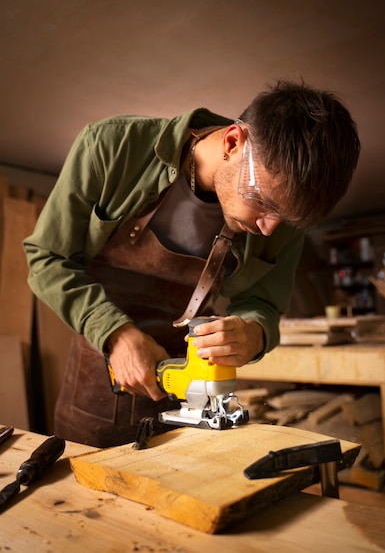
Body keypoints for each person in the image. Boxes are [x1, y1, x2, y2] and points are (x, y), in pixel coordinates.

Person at [23, 79, 360, 447]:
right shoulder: (112, 147)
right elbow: (47, 257)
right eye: (263, 203)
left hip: (188, 395)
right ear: (233, 143)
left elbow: (262, 303)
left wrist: (253, 332)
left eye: (286, 220)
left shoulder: (278, 212)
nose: (268, 229)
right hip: (93, 389)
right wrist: (115, 334)